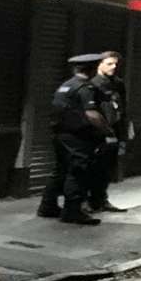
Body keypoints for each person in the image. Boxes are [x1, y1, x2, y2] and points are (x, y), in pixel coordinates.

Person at [36, 52, 111, 225]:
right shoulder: (85, 88)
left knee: (60, 170)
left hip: (60, 135)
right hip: (78, 137)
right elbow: (92, 115)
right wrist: (107, 132)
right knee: (78, 171)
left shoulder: (66, 85)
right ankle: (72, 211)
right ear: (92, 69)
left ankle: (47, 206)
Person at [88, 50, 130, 213]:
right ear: (100, 64)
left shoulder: (118, 83)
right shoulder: (93, 84)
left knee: (107, 168)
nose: (114, 67)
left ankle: (101, 200)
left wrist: (123, 134)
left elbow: (123, 108)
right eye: (109, 63)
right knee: (92, 168)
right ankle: (88, 201)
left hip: (115, 130)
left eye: (115, 64)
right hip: (98, 132)